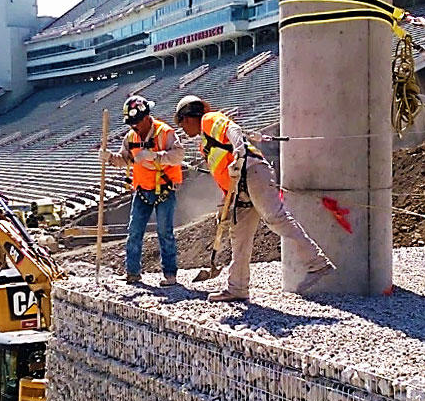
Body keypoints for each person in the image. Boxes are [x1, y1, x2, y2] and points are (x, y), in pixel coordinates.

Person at [173, 94, 334, 302]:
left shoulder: (209, 119)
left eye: (182, 123)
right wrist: (225, 205)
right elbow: (224, 175)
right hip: (239, 188)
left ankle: (316, 262)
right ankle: (237, 287)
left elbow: (233, 130)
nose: (184, 130)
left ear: (189, 117)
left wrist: (239, 151)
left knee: (276, 218)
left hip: (252, 171)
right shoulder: (205, 145)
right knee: (239, 236)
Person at [100, 95, 184, 285]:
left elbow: (178, 155)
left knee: (165, 232)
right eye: (131, 123)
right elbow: (125, 159)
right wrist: (110, 158)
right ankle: (132, 272)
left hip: (164, 190)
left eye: (136, 122)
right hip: (142, 191)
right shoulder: (130, 137)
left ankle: (170, 275)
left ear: (146, 117)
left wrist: (155, 156)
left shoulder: (165, 133)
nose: (133, 127)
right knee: (134, 232)